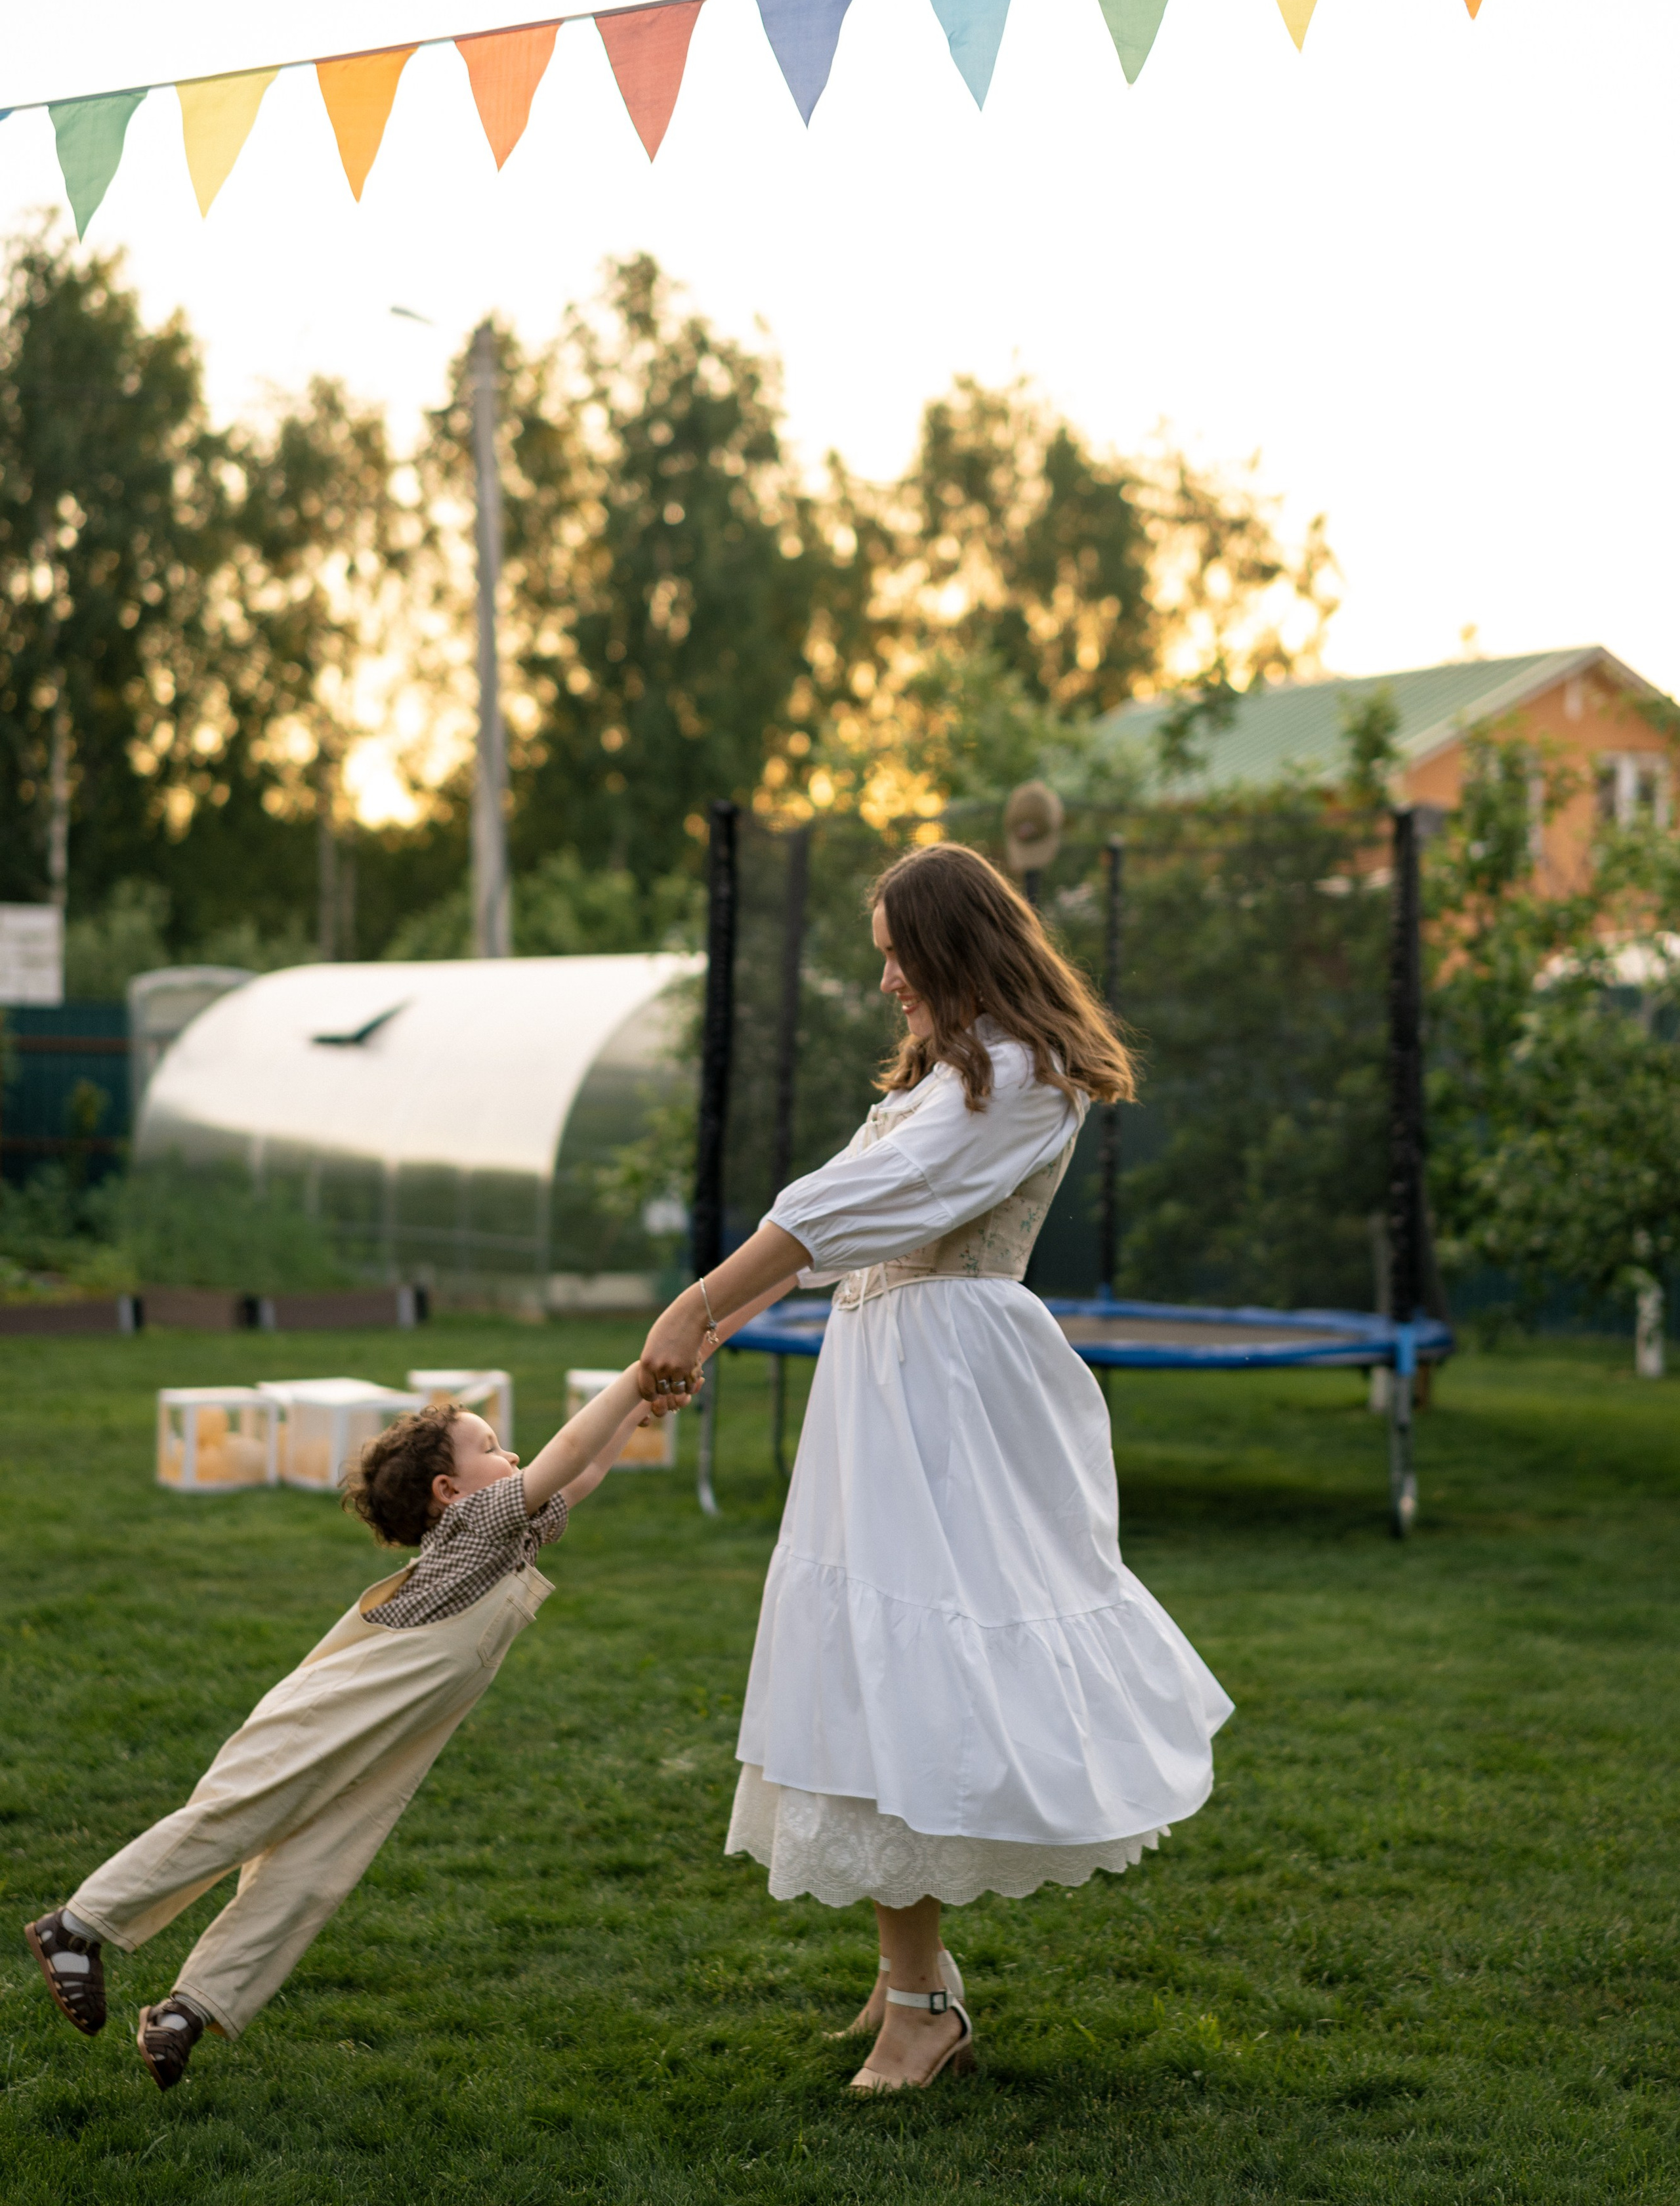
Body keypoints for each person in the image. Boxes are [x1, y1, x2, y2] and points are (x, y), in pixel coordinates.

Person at [638, 842, 1233, 2094]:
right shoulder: (952, 1074)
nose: (890, 981)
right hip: (892, 1380)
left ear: (956, 944)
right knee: (869, 1656)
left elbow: (872, 1202)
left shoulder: (1017, 1075)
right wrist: (713, 1330)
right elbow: (845, 1226)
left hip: (950, 1393)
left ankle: (924, 2008)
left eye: (900, 955)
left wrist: (698, 1305)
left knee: (905, 1666)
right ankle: (912, 1980)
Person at [26, 1366, 679, 2091]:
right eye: (493, 1447)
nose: (516, 1457)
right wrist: (636, 1377)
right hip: (325, 1718)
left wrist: (639, 1413)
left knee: (314, 1872)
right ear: (450, 1493)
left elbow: (577, 1477)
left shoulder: (507, 1538)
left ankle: (187, 2010)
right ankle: (77, 1928)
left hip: (389, 1741)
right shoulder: (474, 1527)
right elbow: (566, 1449)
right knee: (237, 1819)